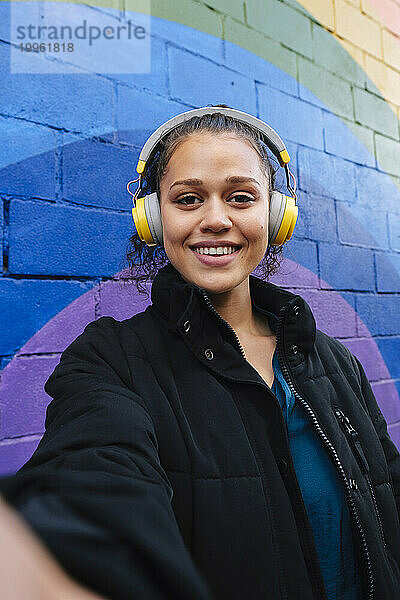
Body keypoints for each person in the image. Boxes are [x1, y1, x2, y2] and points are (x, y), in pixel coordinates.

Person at [0, 104, 399, 600]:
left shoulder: (336, 363)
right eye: (188, 199)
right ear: (152, 217)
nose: (215, 219)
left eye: (240, 197)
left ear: (276, 215)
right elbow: (92, 475)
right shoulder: (110, 361)